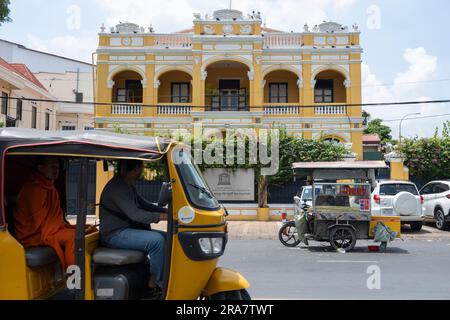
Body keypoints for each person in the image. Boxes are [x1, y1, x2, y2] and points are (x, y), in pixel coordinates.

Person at [14, 157, 96, 270]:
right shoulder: (33, 188)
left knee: (90, 229)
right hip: (34, 235)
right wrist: (65, 228)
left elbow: (54, 219)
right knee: (73, 236)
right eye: (52, 166)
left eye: (57, 167)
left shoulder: (50, 187)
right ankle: (75, 278)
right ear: (40, 168)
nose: (55, 169)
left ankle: (89, 271)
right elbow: (39, 222)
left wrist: (68, 226)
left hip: (50, 229)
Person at [99, 160, 168, 292]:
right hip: (113, 235)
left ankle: (160, 275)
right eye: (142, 167)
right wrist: (164, 217)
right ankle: (158, 281)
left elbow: (145, 204)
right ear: (136, 168)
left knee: (168, 237)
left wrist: (167, 211)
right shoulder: (117, 187)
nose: (142, 170)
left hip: (124, 231)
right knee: (157, 241)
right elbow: (135, 214)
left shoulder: (127, 185)